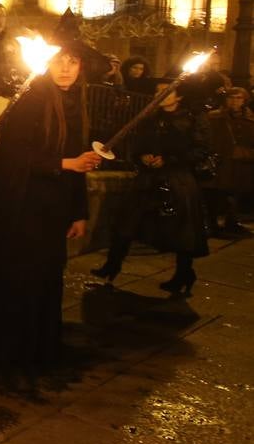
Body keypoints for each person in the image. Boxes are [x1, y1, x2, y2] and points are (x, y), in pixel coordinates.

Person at [0, 10, 103, 389]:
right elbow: (14, 158)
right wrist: (65, 163)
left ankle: (43, 348)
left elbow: (79, 164)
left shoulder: (75, 102)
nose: (66, 68)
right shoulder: (31, 99)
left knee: (49, 280)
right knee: (20, 282)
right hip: (23, 209)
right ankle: (11, 354)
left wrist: (78, 211)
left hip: (54, 211)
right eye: (59, 60)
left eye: (73, 61)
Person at [92, 68, 214, 294]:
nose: (159, 95)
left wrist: (168, 159)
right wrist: (142, 157)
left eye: (166, 92)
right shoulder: (150, 118)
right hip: (148, 179)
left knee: (182, 231)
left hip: (178, 180)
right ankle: (112, 265)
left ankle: (184, 273)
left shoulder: (192, 119)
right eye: (157, 92)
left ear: (179, 96)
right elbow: (137, 145)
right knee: (127, 221)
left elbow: (200, 150)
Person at [207, 86, 254, 236]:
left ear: (244, 100)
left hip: (241, 162)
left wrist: (244, 153)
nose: (234, 101)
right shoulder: (214, 117)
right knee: (217, 193)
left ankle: (232, 222)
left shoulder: (250, 119)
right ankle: (213, 223)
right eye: (231, 98)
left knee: (236, 192)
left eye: (238, 98)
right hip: (221, 161)